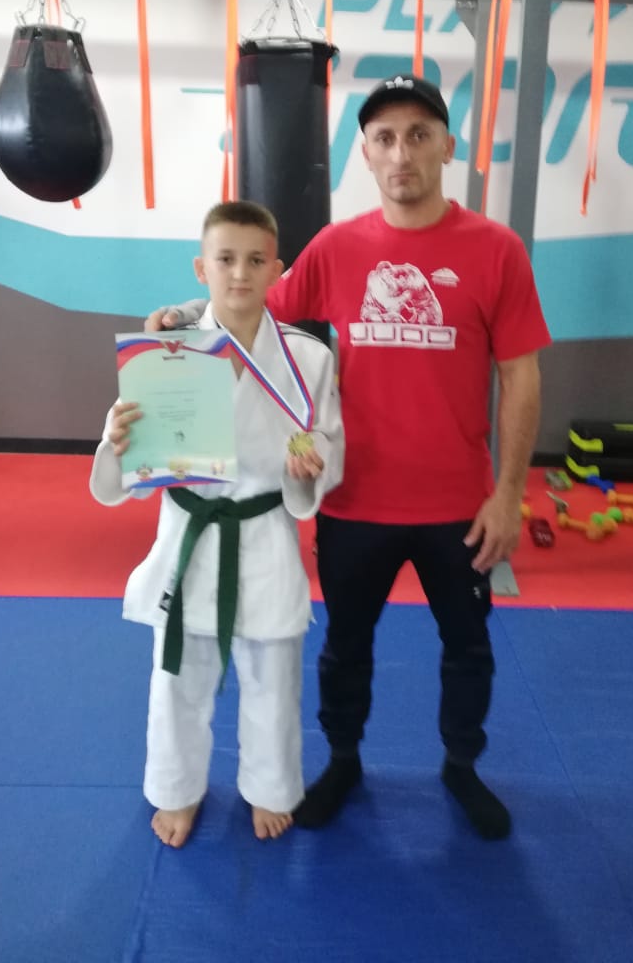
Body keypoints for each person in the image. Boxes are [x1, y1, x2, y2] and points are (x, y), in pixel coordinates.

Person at [145, 73, 551, 840]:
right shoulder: (338, 248)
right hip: (355, 499)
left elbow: (521, 376)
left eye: (419, 136)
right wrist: (184, 316)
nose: (402, 153)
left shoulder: (496, 251)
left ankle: (461, 766)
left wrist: (508, 495)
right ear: (365, 152)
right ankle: (342, 761)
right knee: (345, 648)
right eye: (385, 138)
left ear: (447, 147)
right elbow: (253, 302)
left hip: (459, 506)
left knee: (468, 647)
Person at [92, 201, 344, 847]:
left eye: (256, 260)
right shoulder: (165, 353)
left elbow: (329, 442)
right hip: (191, 535)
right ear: (201, 268)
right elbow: (130, 451)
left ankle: (270, 788)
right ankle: (177, 790)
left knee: (274, 678)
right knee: (178, 677)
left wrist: (311, 465)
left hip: (264, 534)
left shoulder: (309, 359)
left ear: (277, 271)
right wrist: (118, 441)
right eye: (225, 259)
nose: (240, 273)